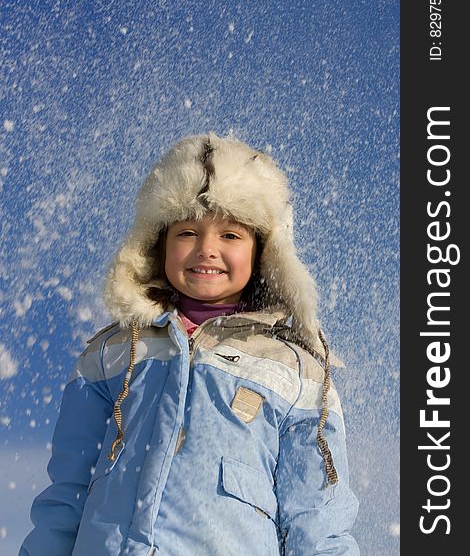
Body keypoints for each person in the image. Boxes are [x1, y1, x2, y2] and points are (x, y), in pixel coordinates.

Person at [20, 133, 359, 555]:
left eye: (231, 235)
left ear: (263, 252)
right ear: (159, 243)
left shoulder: (296, 370)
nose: (206, 250)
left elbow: (317, 520)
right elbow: (66, 495)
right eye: (187, 231)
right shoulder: (112, 355)